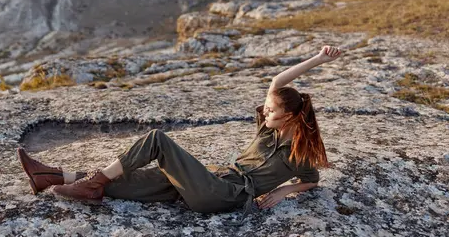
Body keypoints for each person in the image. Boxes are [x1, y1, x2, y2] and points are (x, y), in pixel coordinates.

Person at [18, 45, 342, 220]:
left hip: (226, 196)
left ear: (288, 117)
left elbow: (312, 179)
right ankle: (51, 176)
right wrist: (316, 58)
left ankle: (92, 184)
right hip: (210, 182)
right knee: (133, 179)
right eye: (267, 109)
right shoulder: (267, 132)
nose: (265, 111)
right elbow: (276, 83)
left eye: (272, 111)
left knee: (157, 140)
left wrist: (283, 191)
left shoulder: (299, 152)